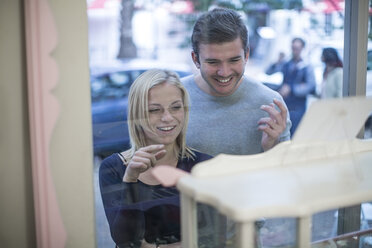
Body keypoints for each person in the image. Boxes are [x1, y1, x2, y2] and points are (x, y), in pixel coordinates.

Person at [99, 69, 213, 248]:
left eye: (176, 107)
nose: (167, 118)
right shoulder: (113, 167)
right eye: (154, 110)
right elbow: (125, 241)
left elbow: (210, 238)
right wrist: (131, 179)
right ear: (137, 115)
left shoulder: (204, 165)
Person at [182, 7, 291, 157]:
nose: (224, 72)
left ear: (246, 55)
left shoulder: (271, 104)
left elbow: (284, 173)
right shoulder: (172, 98)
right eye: (213, 62)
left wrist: (272, 148)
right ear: (196, 59)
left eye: (234, 60)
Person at [279, 37, 316, 135]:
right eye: (293, 48)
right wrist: (277, 61)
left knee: (295, 134)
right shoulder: (286, 63)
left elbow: (311, 85)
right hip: (285, 104)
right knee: (283, 134)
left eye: (297, 48)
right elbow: (269, 72)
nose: (294, 51)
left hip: (298, 106)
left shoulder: (307, 66)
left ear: (302, 48)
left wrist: (292, 89)